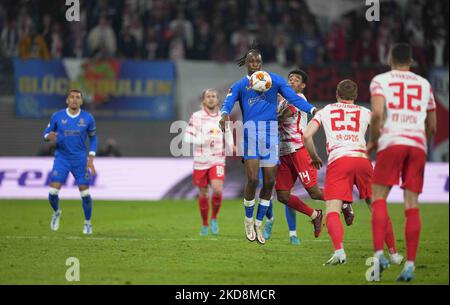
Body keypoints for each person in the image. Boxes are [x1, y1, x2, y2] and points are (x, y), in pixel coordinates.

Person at [219, 46, 317, 245]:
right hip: (251, 134)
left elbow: (294, 98)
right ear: (246, 63)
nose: (255, 65)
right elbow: (228, 103)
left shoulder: (275, 80)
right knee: (253, 179)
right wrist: (224, 115)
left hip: (271, 134)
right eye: (251, 62)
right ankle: (248, 220)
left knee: (270, 182)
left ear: (261, 63)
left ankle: (258, 222)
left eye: (258, 62)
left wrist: (313, 109)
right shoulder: (239, 86)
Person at [367, 43, 437, 281]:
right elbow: (433, 125)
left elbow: (376, 114)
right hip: (417, 144)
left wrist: (373, 140)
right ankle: (410, 265)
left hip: (392, 141)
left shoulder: (380, 80)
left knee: (378, 198)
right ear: (411, 61)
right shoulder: (425, 84)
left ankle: (379, 255)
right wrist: (421, 143)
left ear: (390, 58)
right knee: (411, 205)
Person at [303, 80, 372, 265]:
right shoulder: (366, 112)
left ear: (336, 94)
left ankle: (339, 251)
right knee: (376, 208)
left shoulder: (325, 110)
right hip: (362, 158)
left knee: (331, 209)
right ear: (356, 96)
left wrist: (314, 156)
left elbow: (306, 136)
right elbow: (382, 130)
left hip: (338, 160)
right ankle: (391, 252)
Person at [263, 69, 323, 245]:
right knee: (282, 195)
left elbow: (284, 116)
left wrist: (265, 118)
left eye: (296, 79)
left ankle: (344, 200)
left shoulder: (300, 99)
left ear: (302, 85)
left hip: (298, 150)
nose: (291, 81)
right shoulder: (281, 102)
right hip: (284, 152)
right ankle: (315, 215)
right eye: (290, 78)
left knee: (314, 192)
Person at [43, 89, 98, 235]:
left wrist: (91, 157)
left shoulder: (88, 118)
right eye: (72, 97)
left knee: (85, 193)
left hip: (80, 160)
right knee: (52, 192)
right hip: (62, 158)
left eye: (77, 97)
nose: (74, 100)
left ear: (81, 101)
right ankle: (56, 212)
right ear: (67, 100)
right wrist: (50, 136)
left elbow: (93, 138)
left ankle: (87, 223)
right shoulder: (57, 116)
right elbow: (45, 134)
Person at [184, 89, 233, 236]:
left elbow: (228, 132)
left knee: (217, 189)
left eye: (213, 97)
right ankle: (205, 224)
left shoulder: (223, 117)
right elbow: (187, 137)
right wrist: (201, 140)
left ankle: (214, 218)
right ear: (204, 100)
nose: (211, 99)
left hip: (217, 158)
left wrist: (231, 145)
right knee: (203, 193)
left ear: (218, 100)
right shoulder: (197, 116)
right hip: (201, 160)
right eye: (208, 97)